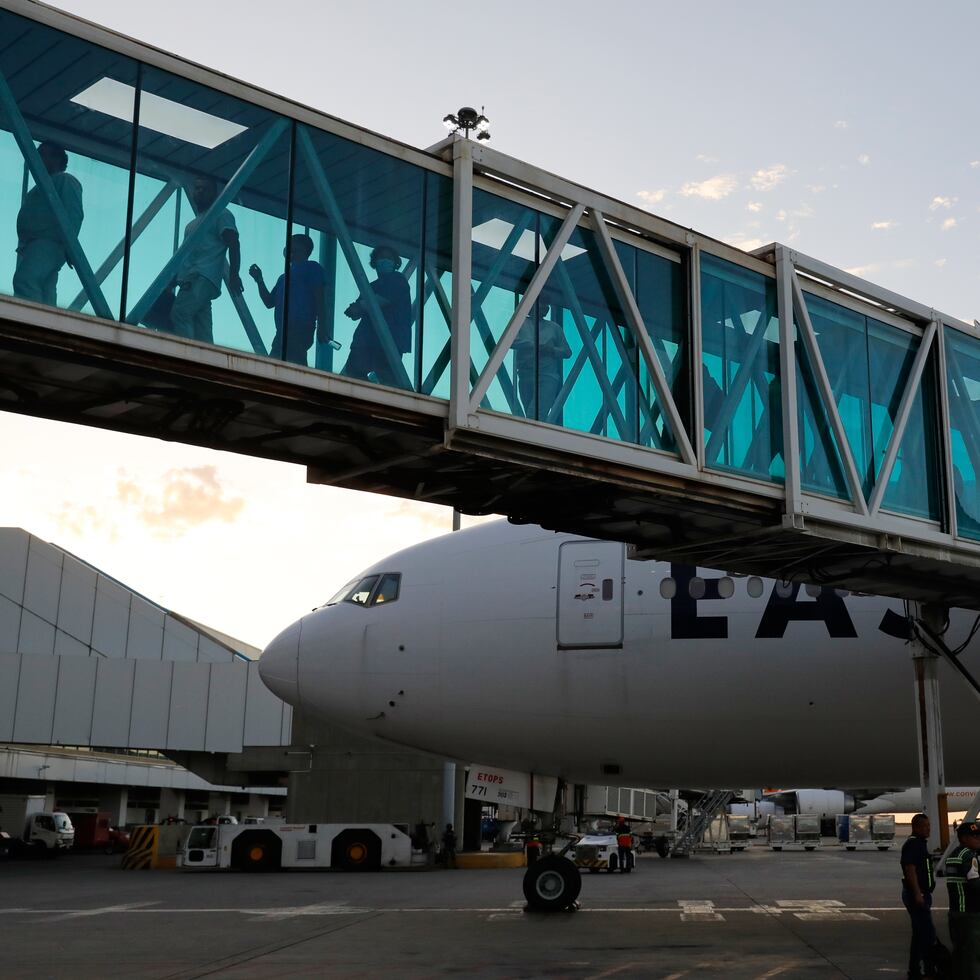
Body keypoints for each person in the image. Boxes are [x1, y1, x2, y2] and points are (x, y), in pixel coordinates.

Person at [170, 175, 242, 344]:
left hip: (201, 276)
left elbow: (233, 243)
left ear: (215, 194)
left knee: (180, 313)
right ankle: (205, 360)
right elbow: (186, 256)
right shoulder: (192, 224)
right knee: (202, 329)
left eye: (205, 189)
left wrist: (234, 274)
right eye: (197, 188)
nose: (199, 192)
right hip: (195, 278)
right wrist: (173, 281)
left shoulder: (221, 214)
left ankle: (185, 357)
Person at [13, 142, 83, 306]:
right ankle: (46, 323)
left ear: (56, 159)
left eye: (42, 154)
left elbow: (74, 214)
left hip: (49, 242)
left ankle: (30, 322)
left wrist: (70, 246)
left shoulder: (65, 180)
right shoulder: (45, 185)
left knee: (26, 279)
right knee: (46, 287)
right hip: (38, 243)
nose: (37, 159)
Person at [248, 234, 329, 365]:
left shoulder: (312, 267)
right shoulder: (283, 277)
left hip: (300, 327)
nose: (289, 249)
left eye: (293, 246)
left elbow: (319, 297)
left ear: (304, 250)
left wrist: (322, 326)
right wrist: (259, 280)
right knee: (288, 363)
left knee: (287, 363)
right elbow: (269, 302)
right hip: (283, 331)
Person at [341, 244, 411, 387]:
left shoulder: (398, 280)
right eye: (381, 257)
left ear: (395, 262)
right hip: (366, 339)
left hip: (389, 339)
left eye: (388, 258)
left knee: (387, 378)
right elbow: (359, 311)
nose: (385, 261)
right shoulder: (371, 286)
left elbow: (383, 300)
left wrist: (358, 307)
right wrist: (355, 308)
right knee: (354, 371)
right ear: (374, 262)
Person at [512, 305, 571, 421]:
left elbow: (567, 351)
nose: (543, 309)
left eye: (545, 306)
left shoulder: (554, 328)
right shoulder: (520, 323)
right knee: (530, 413)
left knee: (535, 415)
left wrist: (552, 350)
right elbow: (511, 341)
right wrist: (535, 345)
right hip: (525, 375)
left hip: (547, 376)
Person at [901, 813, 938, 979]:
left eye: (929, 826)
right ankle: (929, 970)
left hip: (922, 893)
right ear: (916, 827)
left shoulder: (920, 844)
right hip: (918, 894)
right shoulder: (913, 844)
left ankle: (915, 970)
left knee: (918, 935)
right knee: (927, 934)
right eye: (925, 826)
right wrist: (917, 893)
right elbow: (910, 869)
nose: (928, 829)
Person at [946, 819, 980, 979]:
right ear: (964, 838)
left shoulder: (954, 855)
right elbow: (975, 884)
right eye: (975, 836)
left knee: (959, 955)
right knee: (972, 957)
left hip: (955, 912)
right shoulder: (969, 856)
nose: (978, 839)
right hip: (969, 914)